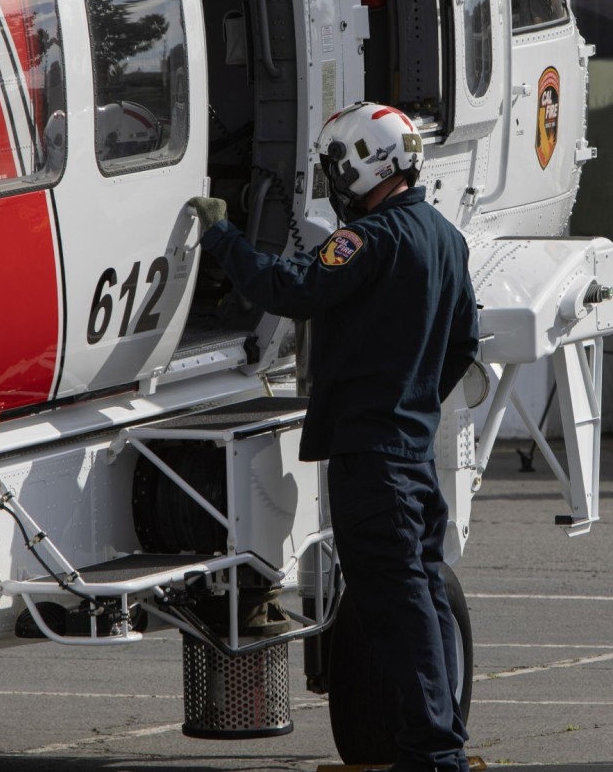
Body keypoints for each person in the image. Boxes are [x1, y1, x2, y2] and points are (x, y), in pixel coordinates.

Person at [188, 101, 478, 772]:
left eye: (338, 168)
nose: (334, 184)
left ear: (365, 164)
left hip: (372, 459)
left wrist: (222, 237)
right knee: (422, 597)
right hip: (410, 452)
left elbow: (290, 289)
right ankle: (438, 746)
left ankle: (434, 752)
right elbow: (463, 344)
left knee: (397, 608)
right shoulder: (444, 236)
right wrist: (408, 399)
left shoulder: (371, 240)